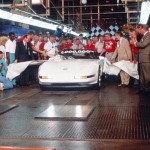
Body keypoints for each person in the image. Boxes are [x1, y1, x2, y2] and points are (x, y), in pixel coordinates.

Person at [132, 24, 150, 94]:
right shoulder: (144, 36)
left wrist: (135, 43)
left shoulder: (148, 35)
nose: (137, 31)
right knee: (142, 75)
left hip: (146, 59)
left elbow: (143, 45)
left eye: (138, 29)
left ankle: (147, 89)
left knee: (147, 75)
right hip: (143, 58)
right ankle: (143, 88)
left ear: (142, 28)